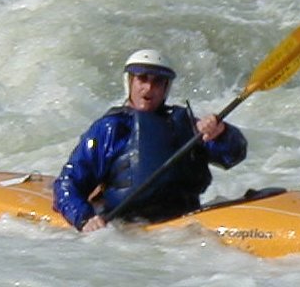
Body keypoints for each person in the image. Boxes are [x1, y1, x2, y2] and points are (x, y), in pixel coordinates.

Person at [53, 49, 247, 232]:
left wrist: (221, 133)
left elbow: (233, 155)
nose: (149, 88)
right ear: (130, 82)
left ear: (165, 88)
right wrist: (84, 218)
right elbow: (68, 183)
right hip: (127, 228)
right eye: (142, 79)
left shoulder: (185, 124)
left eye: (157, 82)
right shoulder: (110, 128)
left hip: (183, 225)